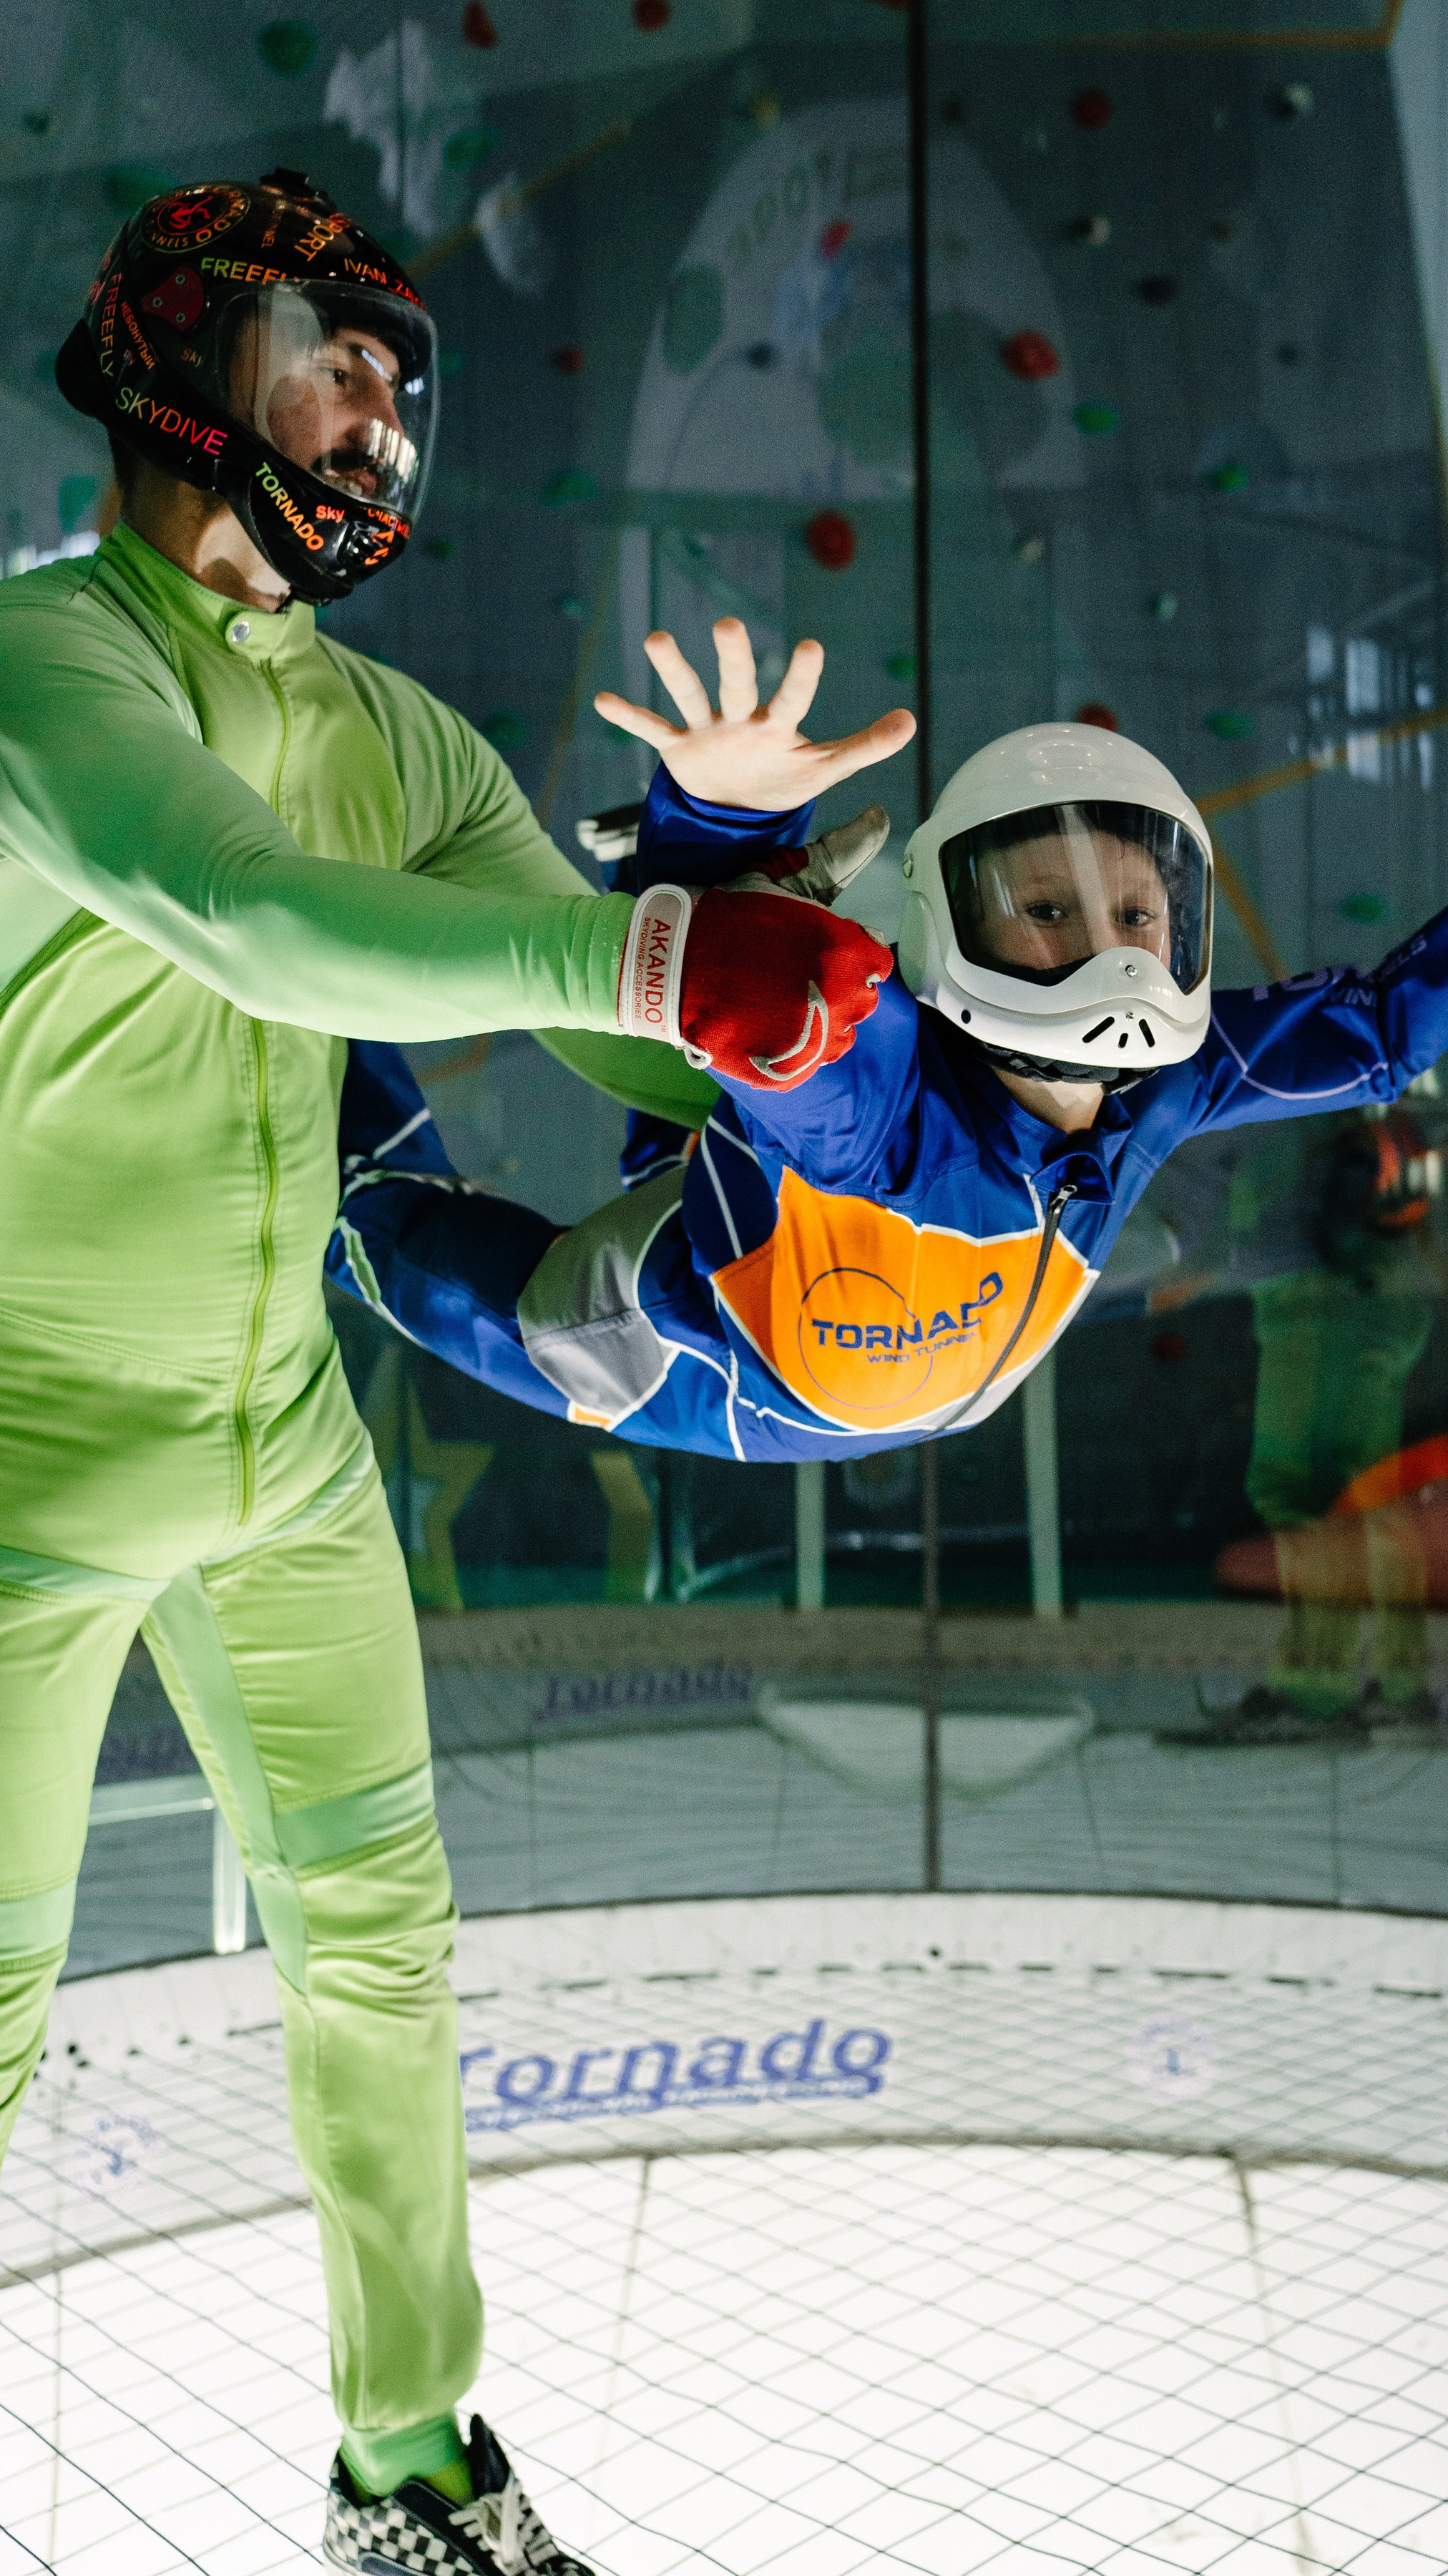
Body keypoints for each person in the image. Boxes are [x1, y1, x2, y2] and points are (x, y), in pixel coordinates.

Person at [0, 175, 899, 2575]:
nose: (382, 407)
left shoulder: (394, 732)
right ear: (181, 354)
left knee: (384, 1950)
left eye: (405, 375)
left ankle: (408, 2470)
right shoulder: (44, 661)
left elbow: (624, 1038)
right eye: (335, 351)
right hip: (18, 1454)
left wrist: (761, 910)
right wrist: (663, 951)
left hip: (285, 1451)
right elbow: (254, 918)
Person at [328, 621, 1448, 1479]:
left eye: (1136, 914)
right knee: (404, 1219)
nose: (1110, 957)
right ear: (955, 926)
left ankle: (665, 1001)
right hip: (709, 1332)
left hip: (752, 1361)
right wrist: (719, 829)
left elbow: (1381, 1037)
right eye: (1049, 912)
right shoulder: (876, 1094)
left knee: (364, 1217)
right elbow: (763, 1002)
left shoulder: (1155, 1083)